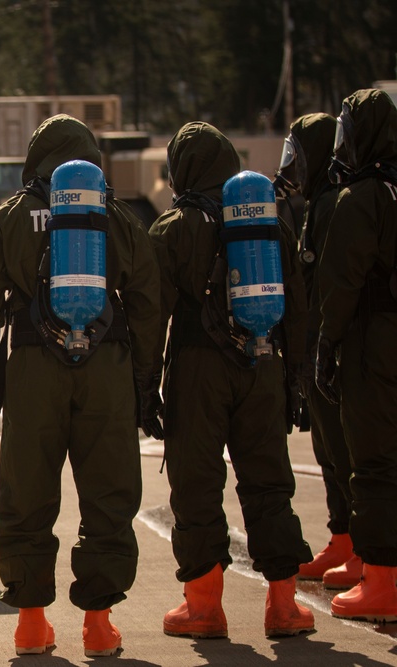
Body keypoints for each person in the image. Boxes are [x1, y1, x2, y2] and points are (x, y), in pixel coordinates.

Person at [0, 114, 161, 657]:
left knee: (26, 489)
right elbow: (147, 301)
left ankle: (31, 622)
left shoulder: (10, 215)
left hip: (33, 367)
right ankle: (98, 625)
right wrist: (146, 378)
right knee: (108, 489)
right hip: (107, 366)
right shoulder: (115, 215)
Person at [150, 121, 314, 639]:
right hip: (263, 361)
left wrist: (145, 388)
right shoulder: (269, 223)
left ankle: (203, 609)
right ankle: (284, 607)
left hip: (198, 367)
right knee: (268, 481)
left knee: (196, 484)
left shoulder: (173, 227)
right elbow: (300, 311)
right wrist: (294, 381)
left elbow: (151, 317)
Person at [316, 88, 397, 621]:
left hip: (374, 341)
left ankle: (384, 584)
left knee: (374, 460)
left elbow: (340, 283)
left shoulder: (360, 198)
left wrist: (325, 345)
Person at [276, 113, 357, 589]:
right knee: (328, 449)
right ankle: (344, 539)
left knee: (347, 452)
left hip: (334, 347)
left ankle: (366, 550)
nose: (294, 166)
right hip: (316, 345)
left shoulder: (334, 206)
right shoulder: (317, 205)